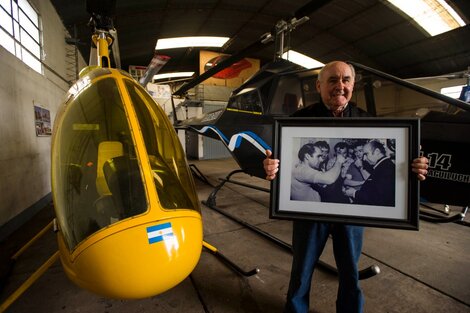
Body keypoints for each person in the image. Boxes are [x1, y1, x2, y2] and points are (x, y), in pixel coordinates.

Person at [263, 61, 429, 313]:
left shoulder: (369, 122)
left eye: (346, 80)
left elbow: (396, 164)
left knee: (350, 271)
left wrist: (414, 165)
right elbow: (279, 161)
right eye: (332, 80)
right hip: (310, 213)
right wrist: (269, 165)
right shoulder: (297, 121)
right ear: (319, 86)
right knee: (302, 269)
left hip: (350, 213)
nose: (340, 86)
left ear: (353, 85)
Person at [343, 140, 395, 206]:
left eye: (366, 154)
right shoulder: (382, 166)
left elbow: (378, 198)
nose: (364, 158)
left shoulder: (386, 168)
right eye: (356, 152)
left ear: (377, 152)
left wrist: (354, 193)